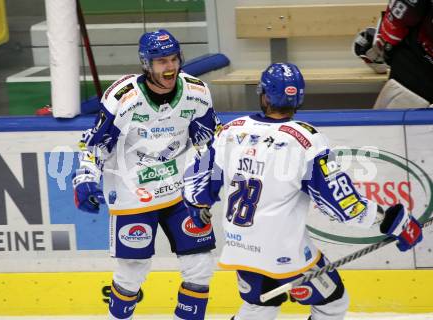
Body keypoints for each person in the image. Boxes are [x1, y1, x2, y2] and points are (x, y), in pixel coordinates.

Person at [182, 62, 423, 320]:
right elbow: (343, 204)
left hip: (239, 249)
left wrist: (197, 207)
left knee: (260, 308)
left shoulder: (230, 130)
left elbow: (198, 175)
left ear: (263, 94)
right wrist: (391, 221)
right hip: (285, 254)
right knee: (332, 304)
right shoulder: (305, 139)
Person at [72, 29, 221, 320]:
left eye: (174, 59)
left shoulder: (197, 92)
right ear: (146, 64)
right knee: (131, 274)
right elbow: (95, 146)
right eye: (161, 61)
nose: (170, 67)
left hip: (180, 192)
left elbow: (208, 142)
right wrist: (85, 178)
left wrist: (209, 180)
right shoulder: (123, 97)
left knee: (201, 266)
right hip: (132, 194)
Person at [353, 0, 433, 108]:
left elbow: (395, 28)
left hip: (417, 72)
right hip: (418, 68)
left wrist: (384, 46)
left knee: (388, 122)